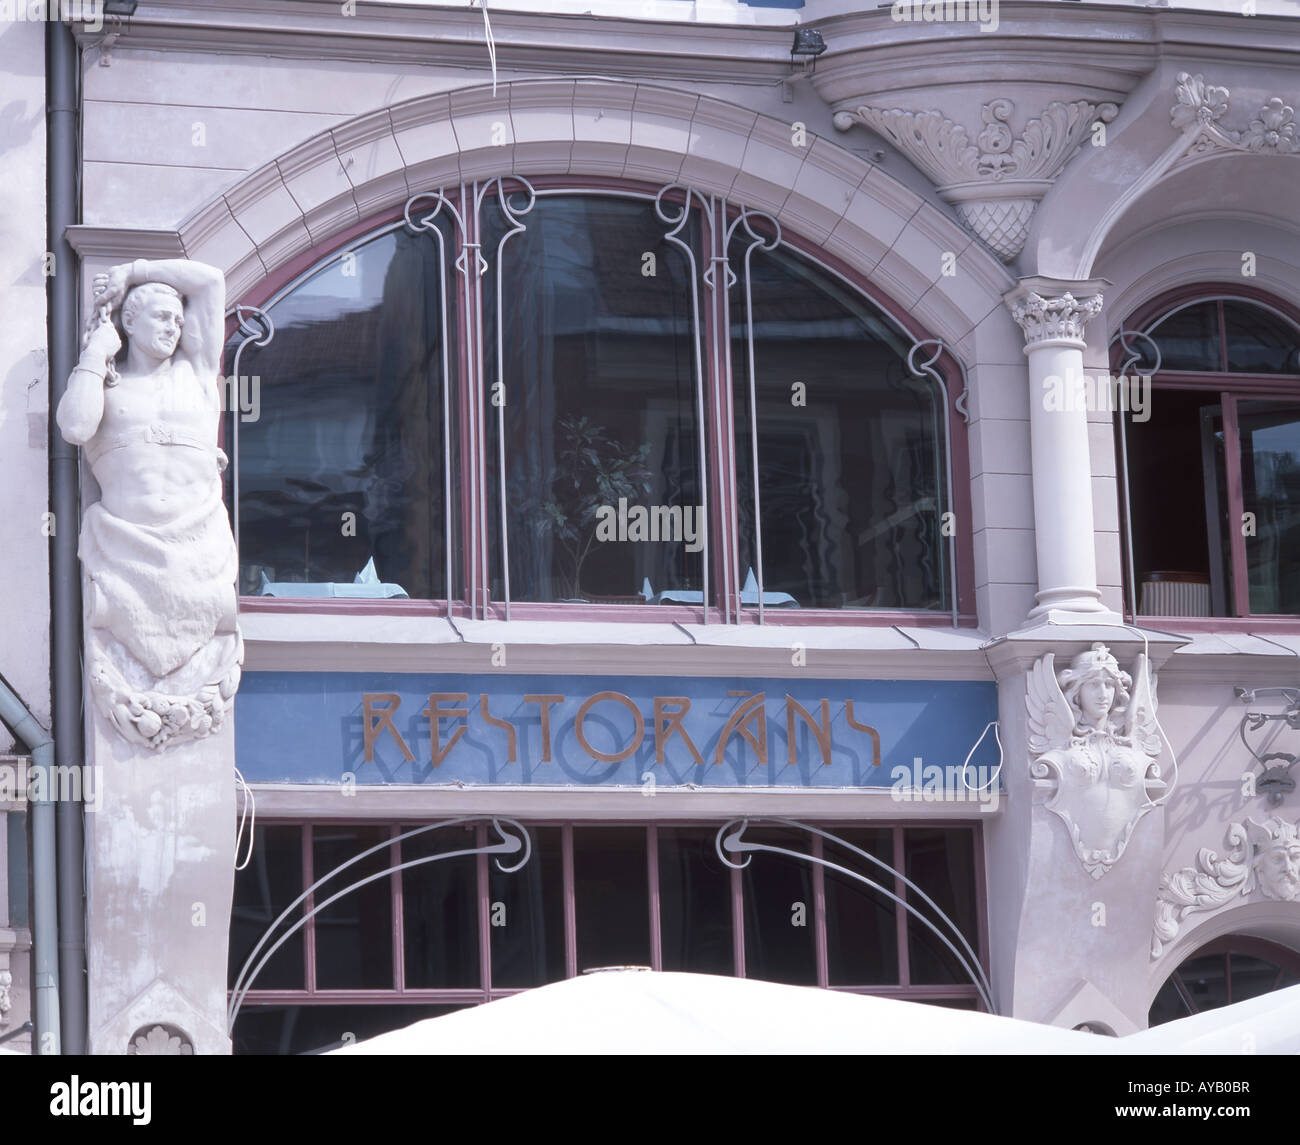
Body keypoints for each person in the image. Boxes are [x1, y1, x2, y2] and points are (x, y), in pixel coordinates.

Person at [56, 259, 240, 749]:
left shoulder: (198, 375)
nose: (173, 327)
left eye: (178, 320)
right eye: (161, 317)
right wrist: (96, 352)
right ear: (129, 323)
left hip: (197, 545)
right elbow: (74, 427)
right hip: (126, 549)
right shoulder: (107, 384)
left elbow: (211, 281)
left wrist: (134, 270)